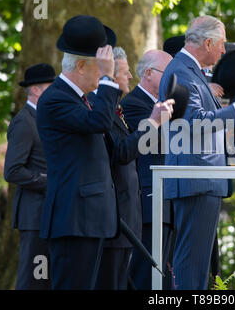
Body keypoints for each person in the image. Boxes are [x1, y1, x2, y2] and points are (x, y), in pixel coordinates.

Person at [158, 15, 235, 290]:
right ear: (207, 42)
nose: (224, 51)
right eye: (222, 44)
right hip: (195, 180)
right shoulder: (180, 70)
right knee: (191, 264)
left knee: (198, 265)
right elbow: (194, 123)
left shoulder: (191, 71)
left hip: (202, 180)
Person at [36, 15, 121, 290]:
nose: (104, 74)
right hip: (74, 219)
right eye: (101, 68)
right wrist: (109, 78)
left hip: (88, 219)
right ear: (82, 66)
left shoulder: (78, 98)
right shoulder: (56, 98)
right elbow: (99, 122)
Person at [90, 47, 174, 289]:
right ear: (110, 75)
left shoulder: (116, 109)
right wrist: (153, 122)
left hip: (129, 209)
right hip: (116, 211)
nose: (129, 77)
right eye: (125, 73)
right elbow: (123, 152)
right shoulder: (114, 106)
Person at [120, 49, 175, 290]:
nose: (174, 80)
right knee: (146, 274)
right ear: (149, 73)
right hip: (149, 200)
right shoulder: (132, 104)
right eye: (169, 74)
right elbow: (150, 144)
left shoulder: (160, 105)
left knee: (164, 275)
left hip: (168, 198)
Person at [4, 63, 56, 289]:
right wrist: (50, 182)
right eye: (50, 87)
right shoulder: (24, 122)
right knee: (34, 278)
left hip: (49, 214)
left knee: (46, 278)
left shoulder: (45, 119)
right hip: (34, 216)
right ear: (35, 90)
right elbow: (12, 170)